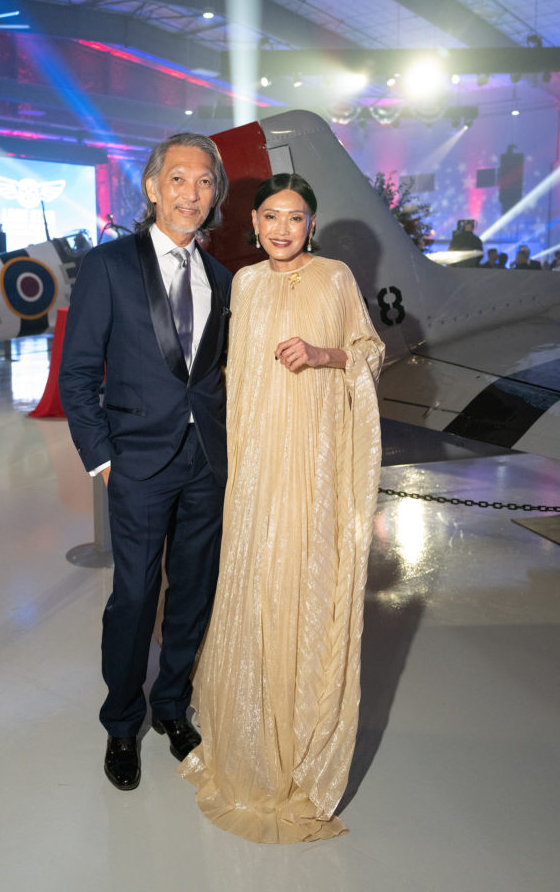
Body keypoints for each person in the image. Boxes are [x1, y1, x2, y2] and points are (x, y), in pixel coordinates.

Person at [179, 173, 384, 843]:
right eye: (270, 216)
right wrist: (231, 466)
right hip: (259, 463)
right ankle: (247, 742)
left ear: (310, 225)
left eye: (294, 218)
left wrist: (323, 354)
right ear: (255, 221)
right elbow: (235, 379)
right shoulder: (244, 283)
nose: (281, 229)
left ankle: (300, 746)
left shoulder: (334, 279)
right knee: (254, 588)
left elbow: (369, 352)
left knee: (303, 584)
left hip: (315, 465)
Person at [58, 133, 232, 792]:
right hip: (134, 463)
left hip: (206, 464)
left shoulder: (222, 278)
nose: (192, 193)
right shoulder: (107, 266)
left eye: (205, 182)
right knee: (133, 597)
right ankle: (122, 722)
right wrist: (102, 459)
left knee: (192, 593)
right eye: (180, 179)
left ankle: (170, 708)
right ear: (153, 187)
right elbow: (77, 373)